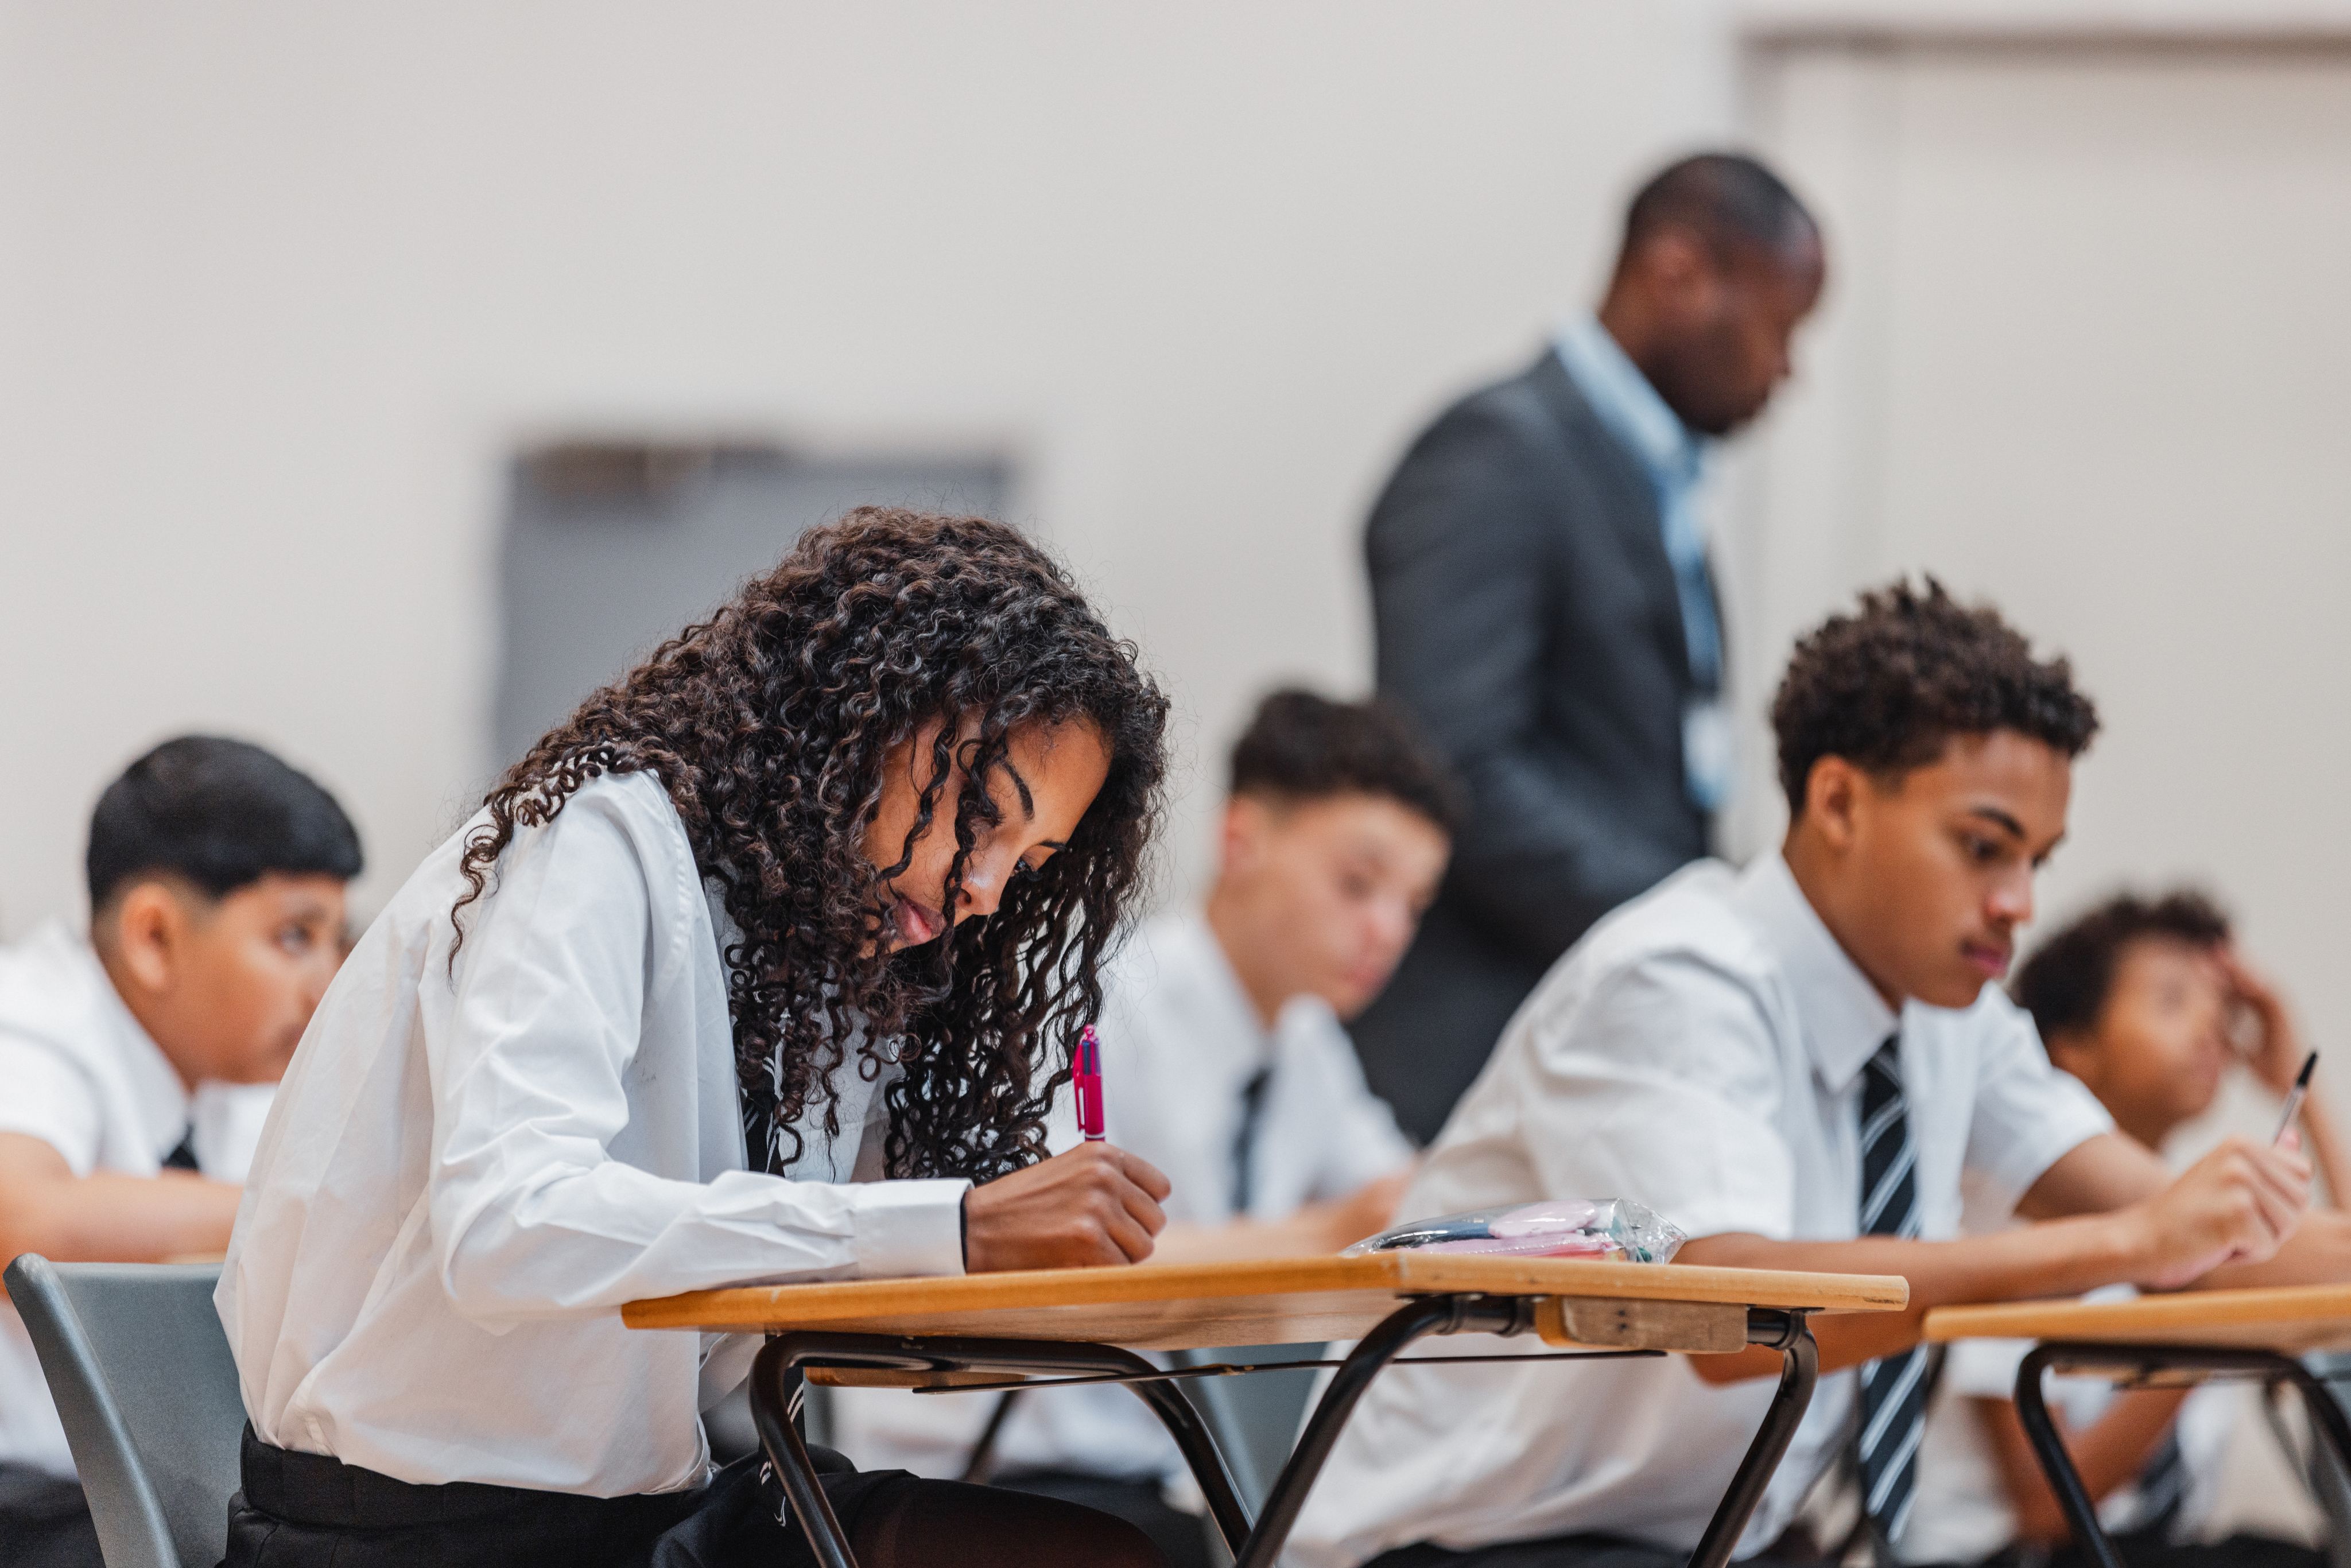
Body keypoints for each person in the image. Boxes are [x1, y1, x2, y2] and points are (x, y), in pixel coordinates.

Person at [1286, 579, 2351, 1568]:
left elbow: (2201, 1232)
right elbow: (1729, 1317)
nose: (2020, 901)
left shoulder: (1954, 1018)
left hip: (1716, 1540)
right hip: (1474, 1540)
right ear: (1838, 802)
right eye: (1984, 847)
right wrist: (2130, 1246)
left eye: (2039, 859)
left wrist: (2187, 1232)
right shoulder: (1679, 975)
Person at [215, 509, 1185, 1568]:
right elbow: (509, 1227)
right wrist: (947, 1222)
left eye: (1031, 861)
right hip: (416, 1530)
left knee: (1098, 1555)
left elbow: (819, 1229)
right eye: (981, 812)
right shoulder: (600, 840)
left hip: (640, 1508)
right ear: (865, 712)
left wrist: (984, 1217)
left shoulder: (820, 944)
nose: (987, 888)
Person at [833, 689, 1453, 1565]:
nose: (1386, 931)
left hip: (1159, 1469)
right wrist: (1336, 1231)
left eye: (1415, 906)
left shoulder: (1308, 1044)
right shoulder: (1095, 1007)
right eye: (1358, 884)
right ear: (1242, 841)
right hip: (990, 1468)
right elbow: (1052, 1260)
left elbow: (1410, 1206)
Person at [1351, 150, 1829, 1142]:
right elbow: (1454, 768)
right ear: (1679, 273)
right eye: (1779, 327)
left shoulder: (1653, 482)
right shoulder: (1498, 455)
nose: (1787, 371)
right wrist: (1701, 923)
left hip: (1605, 1042)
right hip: (1485, 1056)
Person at [0, 736, 362, 1568]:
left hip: (149, 1496)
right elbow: (22, 1219)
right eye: (295, 937)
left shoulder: (243, 1078)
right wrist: (290, 1204)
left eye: (338, 941)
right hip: (29, 1503)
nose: (327, 984)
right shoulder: (33, 1019)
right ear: (154, 938)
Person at [1903, 892, 2344, 1568]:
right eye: (2172, 1001)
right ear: (2071, 1046)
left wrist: (2301, 1093)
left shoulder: (2200, 1225)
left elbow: (2339, 1274)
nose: (2211, 1028)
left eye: (2218, 1007)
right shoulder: (2018, 1220)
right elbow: (2046, 1506)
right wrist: (2200, 1326)